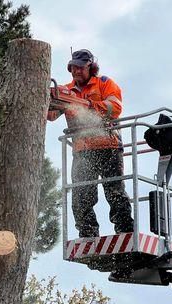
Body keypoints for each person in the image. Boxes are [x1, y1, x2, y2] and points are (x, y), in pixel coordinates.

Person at [48, 49, 134, 237]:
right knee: (81, 195)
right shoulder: (66, 91)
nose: (76, 71)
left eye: (80, 67)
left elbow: (115, 108)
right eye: (73, 68)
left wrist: (86, 105)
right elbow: (51, 116)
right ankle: (88, 234)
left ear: (91, 67)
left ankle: (125, 232)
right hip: (82, 150)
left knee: (115, 191)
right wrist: (47, 102)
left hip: (108, 146)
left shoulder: (104, 83)